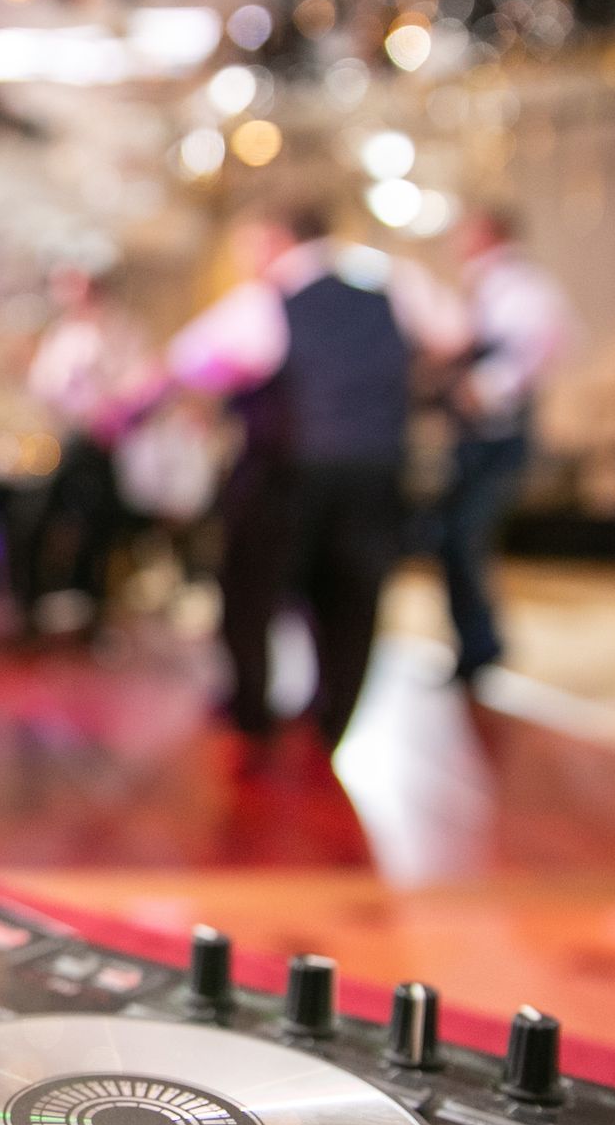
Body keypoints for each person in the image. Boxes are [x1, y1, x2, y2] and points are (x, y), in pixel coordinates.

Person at [165, 204, 462, 754]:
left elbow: (192, 358)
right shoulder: (395, 286)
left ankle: (253, 712)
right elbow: (455, 335)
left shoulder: (269, 299)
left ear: (276, 239)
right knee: (354, 598)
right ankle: (331, 724)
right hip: (377, 467)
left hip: (288, 471)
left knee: (251, 592)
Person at [438, 207, 570, 685]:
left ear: (487, 233)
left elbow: (545, 345)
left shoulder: (522, 287)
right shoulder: (484, 286)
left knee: (464, 537)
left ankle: (482, 646)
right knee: (453, 540)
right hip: (474, 437)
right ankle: (475, 643)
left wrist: (487, 388)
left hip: (499, 437)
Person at [16, 268, 152, 640]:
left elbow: (140, 385)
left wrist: (114, 411)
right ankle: (33, 608)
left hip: (106, 444)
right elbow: (44, 389)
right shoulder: (61, 336)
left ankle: (92, 614)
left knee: (101, 531)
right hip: (67, 440)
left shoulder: (122, 332)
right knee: (34, 519)